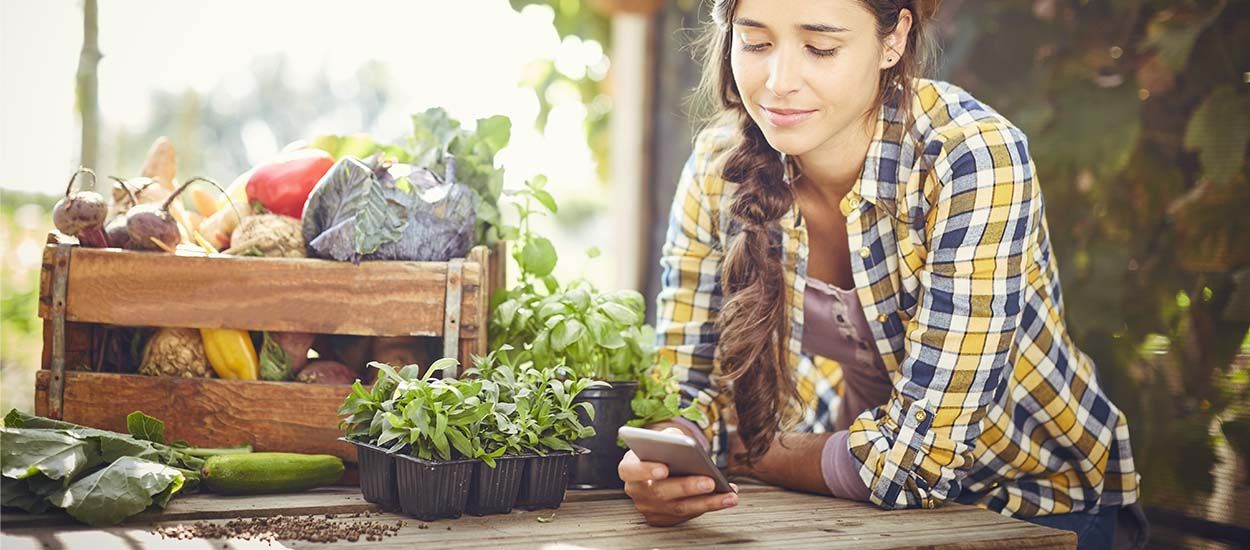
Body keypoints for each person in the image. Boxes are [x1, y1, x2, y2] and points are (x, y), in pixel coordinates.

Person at [618, 1, 1146, 548]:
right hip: (851, 502)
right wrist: (668, 459)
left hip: (1034, 505)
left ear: (893, 38)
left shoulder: (970, 159)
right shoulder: (717, 169)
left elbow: (917, 461)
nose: (778, 82)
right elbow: (684, 387)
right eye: (755, 43)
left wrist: (760, 454)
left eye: (820, 47)